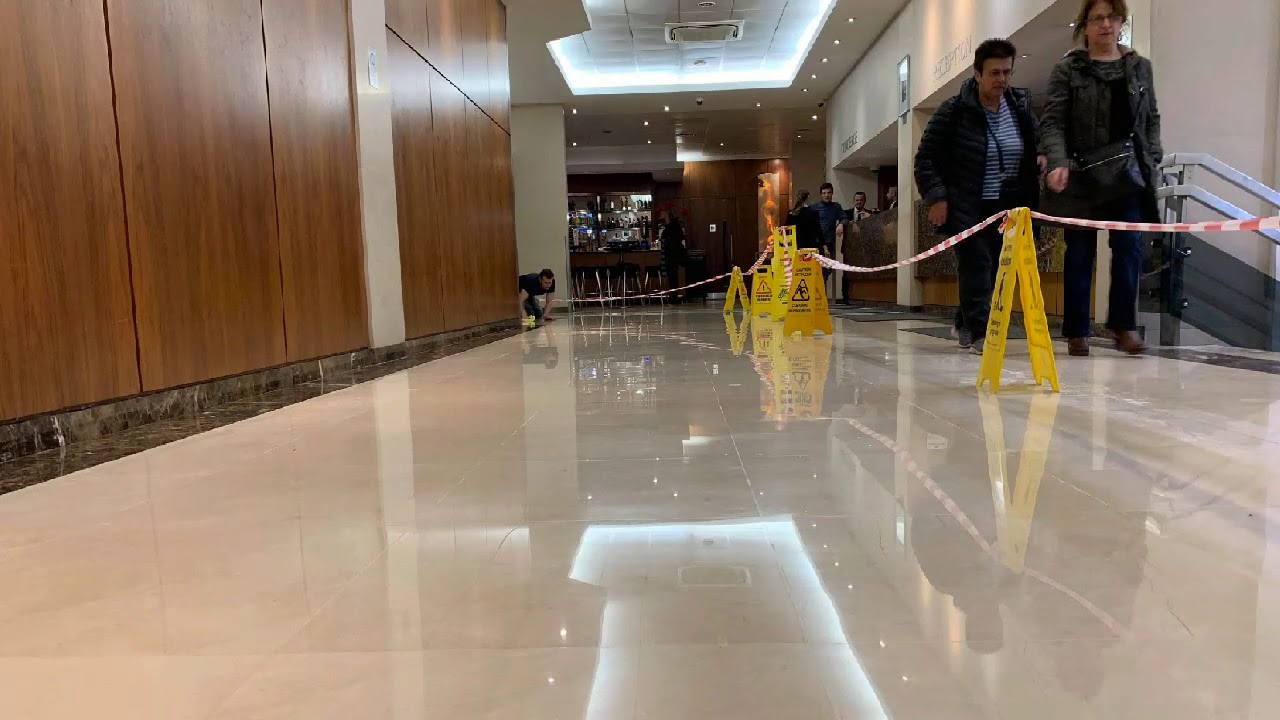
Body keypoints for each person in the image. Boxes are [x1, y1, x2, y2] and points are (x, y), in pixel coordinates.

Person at [1042, 0, 1160, 356]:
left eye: (1112, 17)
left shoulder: (1139, 68)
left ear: (1121, 22)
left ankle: (1123, 326)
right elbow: (1053, 121)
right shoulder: (1067, 69)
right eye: (1097, 18)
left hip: (1128, 173)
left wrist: (1153, 156)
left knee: (1130, 249)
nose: (1106, 24)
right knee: (1079, 252)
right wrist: (1058, 161)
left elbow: (1151, 117)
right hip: (1082, 174)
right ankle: (1077, 330)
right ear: (1085, 26)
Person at [915, 38, 1045, 354]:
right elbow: (925, 158)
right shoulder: (954, 110)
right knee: (976, 264)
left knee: (997, 268)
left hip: (1009, 206)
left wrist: (1041, 155)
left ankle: (965, 321)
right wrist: (937, 197)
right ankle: (979, 332)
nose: (1001, 80)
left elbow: (1037, 140)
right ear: (977, 74)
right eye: (994, 73)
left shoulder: (1020, 108)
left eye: (1007, 72)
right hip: (968, 205)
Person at [660, 214, 687, 299]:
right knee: (674, 277)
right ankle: (674, 295)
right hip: (676, 256)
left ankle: (673, 295)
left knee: (672, 277)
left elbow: (665, 243)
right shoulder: (676, 228)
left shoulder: (668, 230)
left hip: (671, 256)